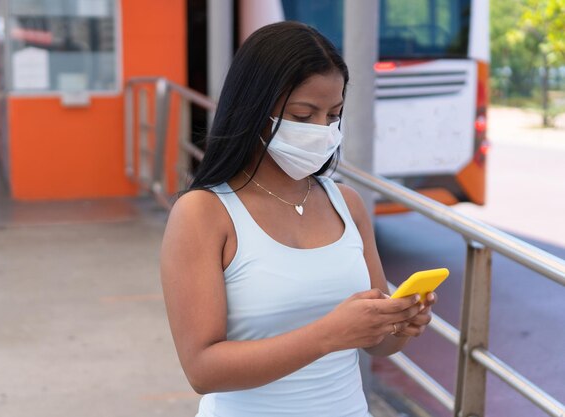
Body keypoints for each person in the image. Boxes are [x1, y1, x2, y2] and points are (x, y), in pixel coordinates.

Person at [160, 21, 437, 417]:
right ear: (254, 108)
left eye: (333, 115)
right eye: (303, 116)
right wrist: (328, 335)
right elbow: (203, 370)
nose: (322, 131)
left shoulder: (348, 204)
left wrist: (401, 324)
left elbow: (376, 342)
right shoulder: (203, 213)